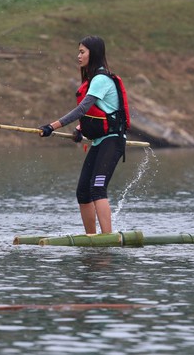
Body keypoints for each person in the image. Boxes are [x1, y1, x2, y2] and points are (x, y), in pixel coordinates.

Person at [38, 35, 129, 235]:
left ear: (93, 53)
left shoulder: (101, 80)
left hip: (113, 141)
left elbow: (82, 109)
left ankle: (107, 237)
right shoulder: (93, 80)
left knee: (97, 189)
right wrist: (80, 130)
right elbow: (94, 114)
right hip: (100, 141)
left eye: (82, 52)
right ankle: (91, 237)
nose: (78, 56)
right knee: (83, 192)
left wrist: (51, 127)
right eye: (78, 52)